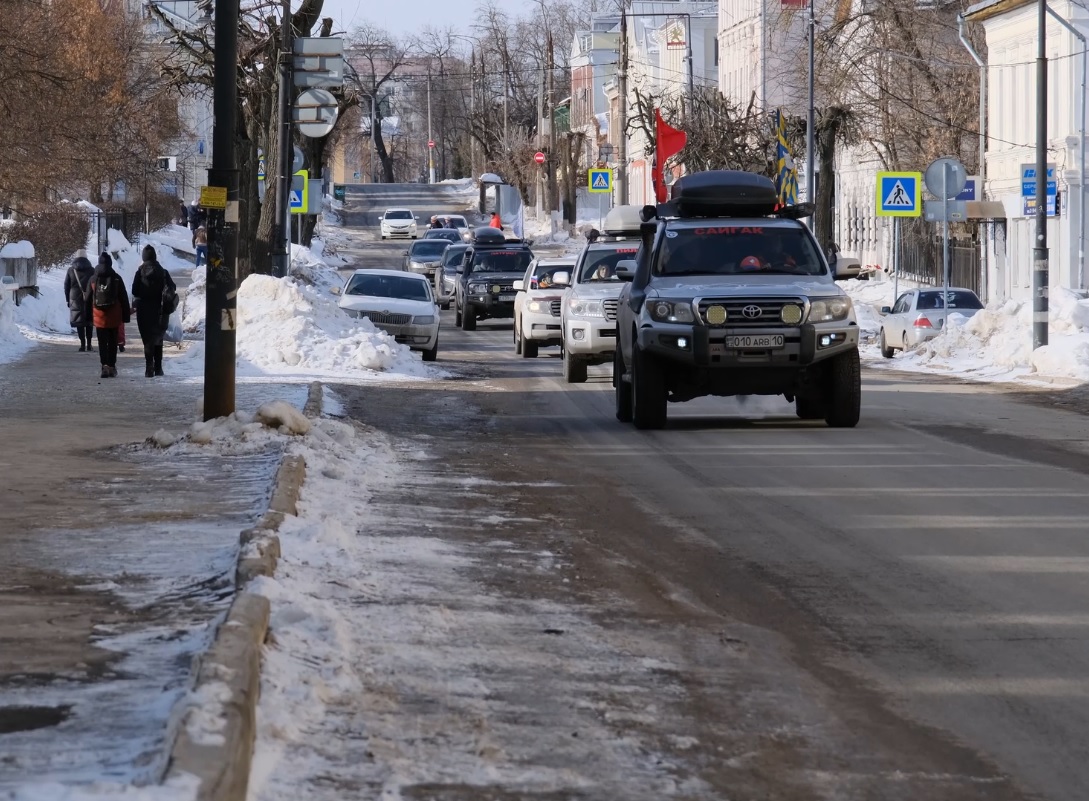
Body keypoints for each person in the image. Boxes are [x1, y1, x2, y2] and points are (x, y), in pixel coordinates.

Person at [131, 244, 177, 378]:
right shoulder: (163, 272)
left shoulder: (140, 272)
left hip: (144, 310)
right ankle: (158, 368)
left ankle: (148, 367)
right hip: (160, 310)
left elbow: (134, 290)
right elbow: (172, 287)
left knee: (147, 340)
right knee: (158, 339)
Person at [88, 252, 130, 378]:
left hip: (99, 316)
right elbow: (123, 298)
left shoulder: (93, 279)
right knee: (112, 342)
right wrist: (125, 316)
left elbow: (87, 298)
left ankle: (104, 366)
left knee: (102, 342)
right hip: (114, 316)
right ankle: (112, 366)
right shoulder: (116, 278)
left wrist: (88, 316)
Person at [64, 250, 95, 352]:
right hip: (89, 297)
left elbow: (66, 286)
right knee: (89, 321)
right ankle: (89, 344)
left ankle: (82, 345)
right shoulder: (91, 270)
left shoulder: (71, 270)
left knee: (79, 321)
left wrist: (68, 300)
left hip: (75, 298)